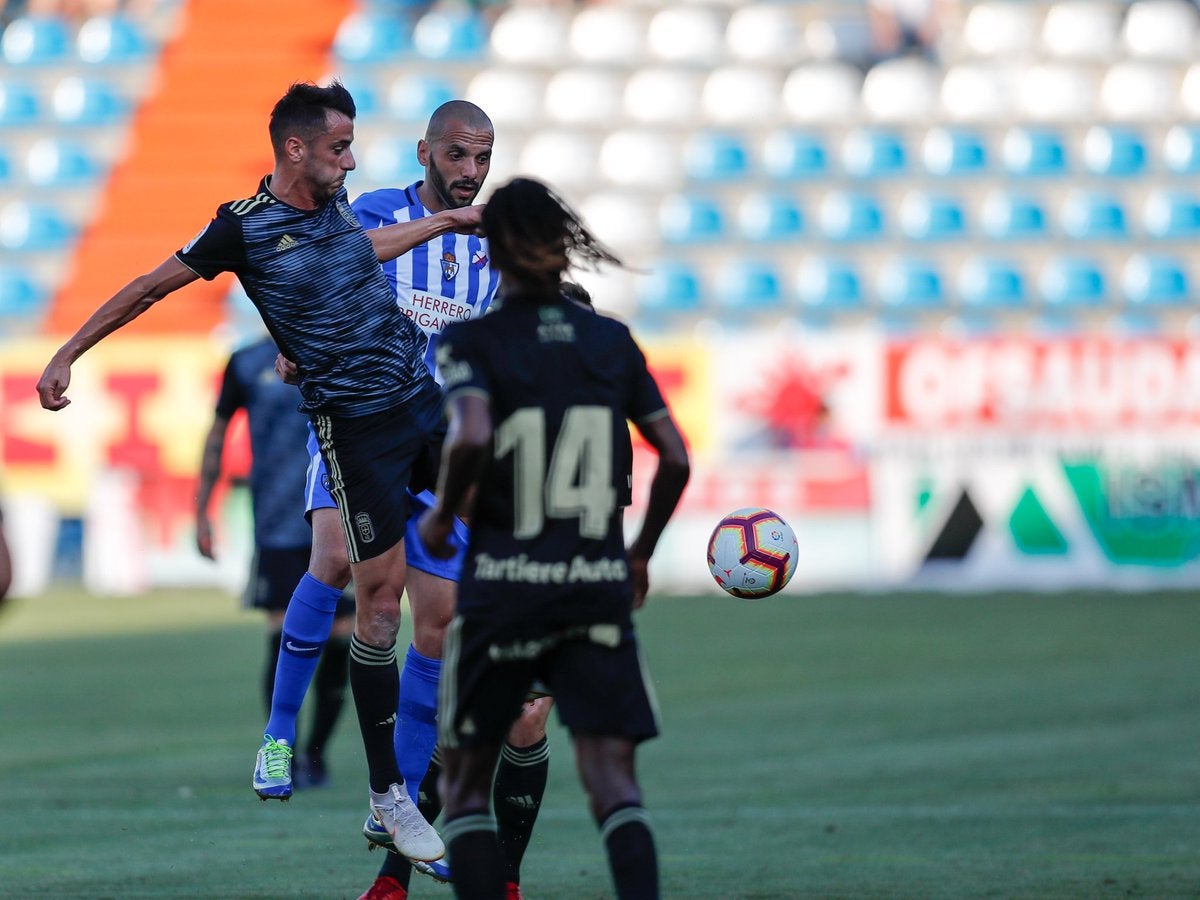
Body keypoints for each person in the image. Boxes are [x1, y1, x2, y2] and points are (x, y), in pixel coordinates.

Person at [35, 79, 486, 865]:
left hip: (426, 408)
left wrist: (449, 220)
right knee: (368, 593)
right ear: (296, 148)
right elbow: (149, 286)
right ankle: (336, 766)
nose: (351, 160)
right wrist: (69, 351)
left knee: (444, 605)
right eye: (340, 147)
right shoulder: (241, 230)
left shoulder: (344, 211)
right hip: (355, 434)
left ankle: (402, 789)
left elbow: (362, 251)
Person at [250, 100, 550, 899]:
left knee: (434, 621)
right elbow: (309, 277)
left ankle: (395, 805)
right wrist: (293, 345)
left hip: (437, 450)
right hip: (356, 423)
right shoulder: (374, 213)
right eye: (457, 154)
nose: (471, 170)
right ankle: (278, 737)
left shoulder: (495, 245)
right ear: (425, 150)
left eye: (483, 157)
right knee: (338, 558)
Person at [418, 177, 691, 900]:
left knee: (466, 785)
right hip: (592, 582)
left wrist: (443, 513)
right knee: (613, 781)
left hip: (504, 584)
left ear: (494, 252)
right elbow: (678, 456)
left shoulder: (470, 340)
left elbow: (472, 431)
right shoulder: (612, 341)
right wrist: (641, 554)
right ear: (563, 246)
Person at [195, 332, 354, 789]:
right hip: (278, 519)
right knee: (281, 631)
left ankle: (316, 755)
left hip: (336, 511)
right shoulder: (246, 361)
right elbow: (218, 431)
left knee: (341, 636)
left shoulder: (337, 345)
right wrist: (203, 507)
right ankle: (280, 748)